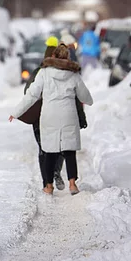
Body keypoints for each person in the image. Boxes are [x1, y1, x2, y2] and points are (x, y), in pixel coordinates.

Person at [10, 44, 93, 195]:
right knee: (69, 152)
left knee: (49, 151)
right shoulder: (73, 75)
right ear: (67, 57)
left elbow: (31, 95)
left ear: (53, 56)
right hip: (68, 115)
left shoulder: (44, 73)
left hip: (49, 116)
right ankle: (73, 184)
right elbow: (84, 96)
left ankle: (48, 186)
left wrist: (16, 112)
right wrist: (90, 101)